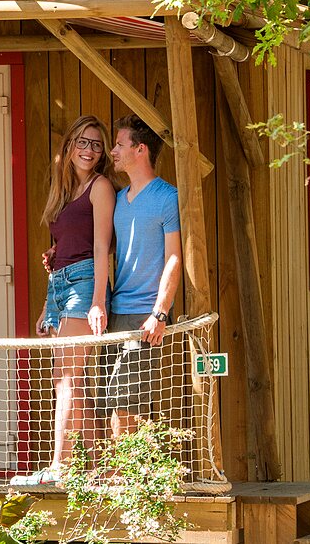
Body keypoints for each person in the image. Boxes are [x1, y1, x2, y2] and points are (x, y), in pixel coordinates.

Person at [14, 115, 116, 486]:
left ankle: (60, 465)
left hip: (86, 283)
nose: (89, 150)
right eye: (83, 142)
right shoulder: (64, 190)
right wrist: (47, 302)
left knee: (66, 378)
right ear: (69, 146)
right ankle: (104, 468)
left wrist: (98, 302)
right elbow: (68, 243)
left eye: (97, 144)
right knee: (68, 380)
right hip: (58, 285)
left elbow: (102, 246)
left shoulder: (100, 187)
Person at [105, 114, 182, 436]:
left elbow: (175, 257)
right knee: (115, 403)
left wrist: (159, 313)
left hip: (145, 316)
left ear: (141, 151)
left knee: (126, 405)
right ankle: (125, 477)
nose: (112, 151)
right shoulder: (119, 200)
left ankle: (127, 481)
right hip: (114, 314)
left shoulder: (168, 197)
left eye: (120, 145)